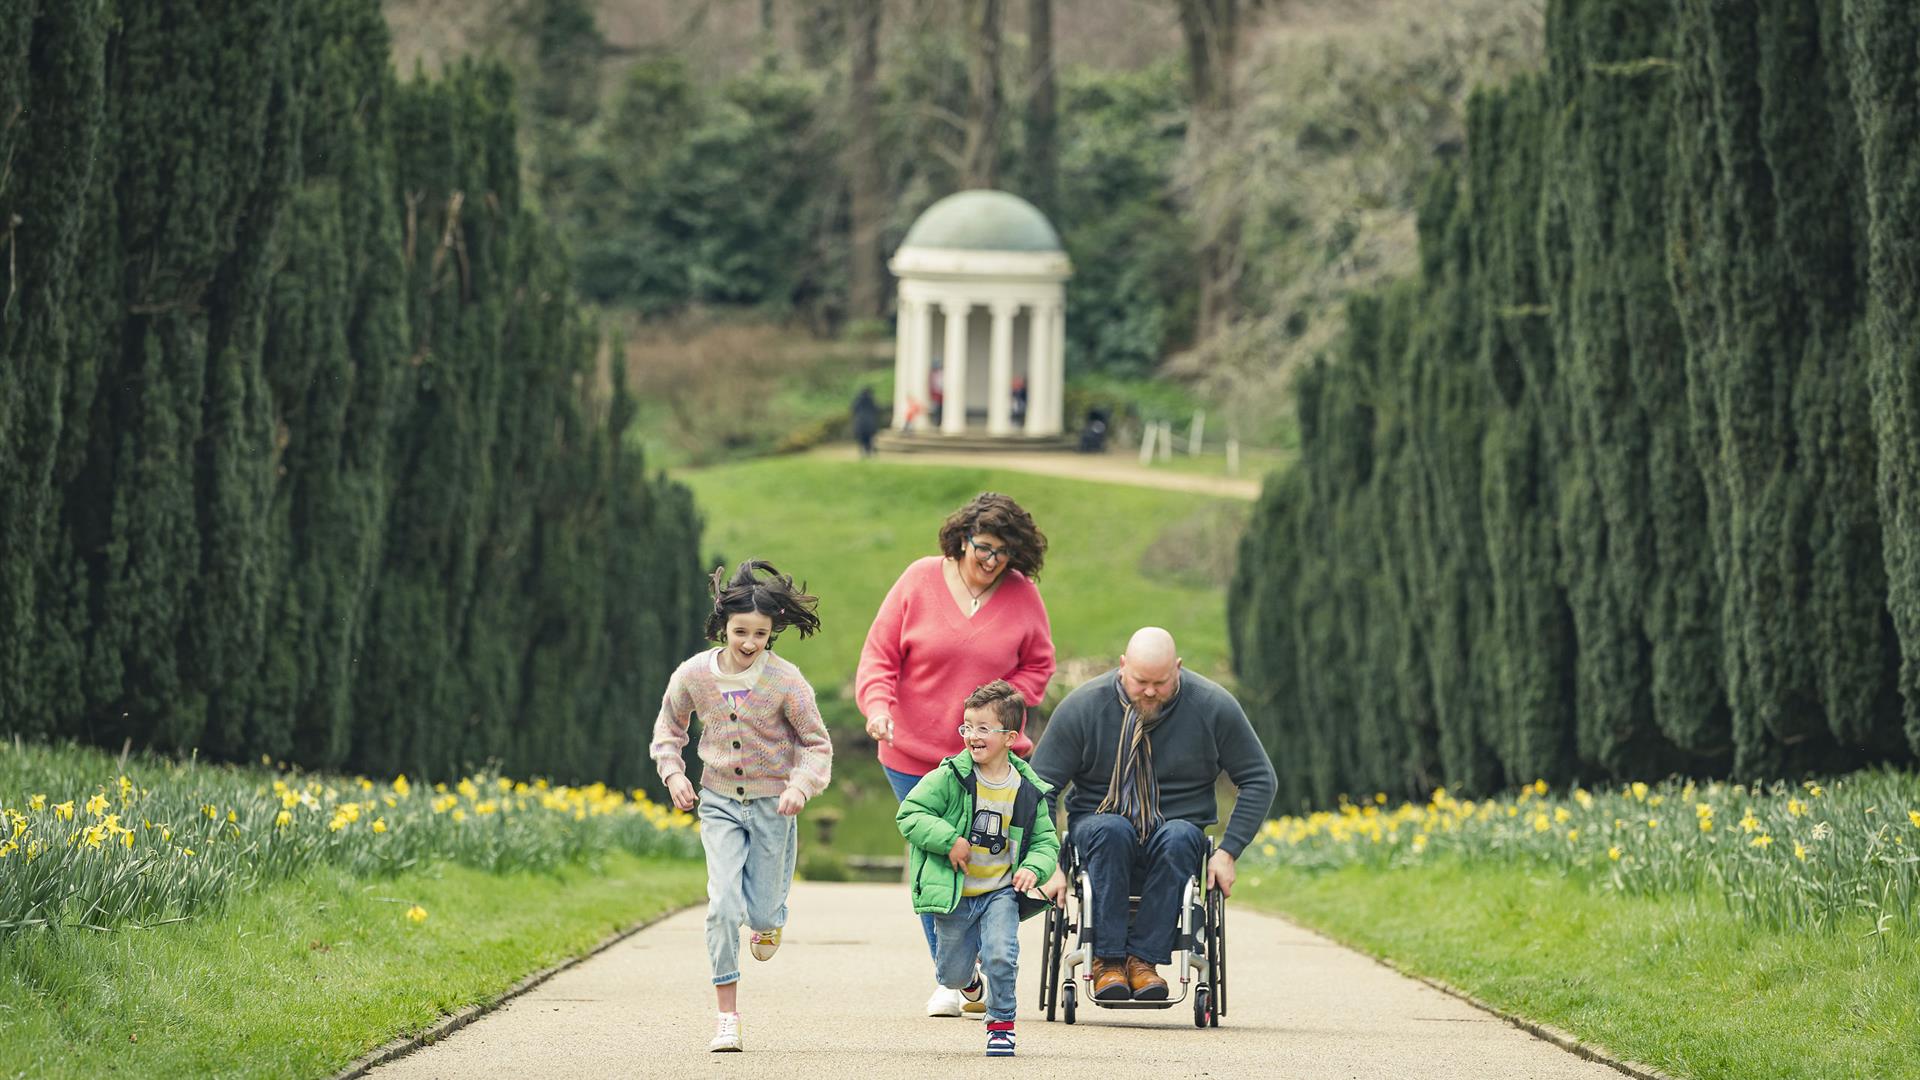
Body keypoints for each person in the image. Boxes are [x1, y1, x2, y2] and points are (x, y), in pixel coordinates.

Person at [856, 491, 1056, 1017]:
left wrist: (997, 709)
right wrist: (878, 708)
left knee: (989, 858)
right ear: (962, 538)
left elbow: (1038, 668)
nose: (991, 562)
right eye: (984, 548)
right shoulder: (919, 579)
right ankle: (953, 978)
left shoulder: (1021, 595)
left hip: (991, 762)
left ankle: (989, 960)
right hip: (915, 754)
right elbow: (879, 656)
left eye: (1003, 554)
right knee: (937, 858)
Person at [1030, 627, 1276, 1003]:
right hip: (1100, 826)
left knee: (1179, 836)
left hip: (1176, 829)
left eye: (1160, 682)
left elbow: (1260, 778)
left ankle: (1143, 962)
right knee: (1113, 830)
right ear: (1123, 666)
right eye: (1140, 680)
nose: (1149, 691)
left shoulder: (1212, 706)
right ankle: (1106, 963)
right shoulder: (1084, 707)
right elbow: (1040, 786)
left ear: (1178, 668)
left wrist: (1229, 851)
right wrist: (1051, 863)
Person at [651, 560, 832, 1053]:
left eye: (760, 633)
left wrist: (800, 785)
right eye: (740, 632)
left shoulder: (787, 682)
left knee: (764, 913)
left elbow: (817, 744)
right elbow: (669, 731)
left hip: (776, 804)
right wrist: (674, 774)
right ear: (722, 626)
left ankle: (771, 921)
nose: (749, 642)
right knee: (722, 906)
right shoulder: (693, 674)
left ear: (772, 632)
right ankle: (726, 1017)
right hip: (719, 803)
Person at [896, 680, 1060, 1058]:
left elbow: (1046, 842)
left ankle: (1001, 1024)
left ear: (1010, 737)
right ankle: (969, 980)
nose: (972, 735)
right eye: (967, 726)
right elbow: (911, 813)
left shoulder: (1027, 789)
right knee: (950, 974)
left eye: (983, 728)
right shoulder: (950, 777)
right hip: (957, 893)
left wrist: (1034, 869)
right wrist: (948, 839)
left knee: (1002, 955)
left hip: (1000, 891)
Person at [852, 386, 879, 457]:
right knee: (869, 440)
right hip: (869, 424)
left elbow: (853, 409)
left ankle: (862, 453)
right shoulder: (871, 400)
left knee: (861, 440)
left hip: (860, 423)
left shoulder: (858, 400)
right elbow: (876, 410)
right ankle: (868, 453)